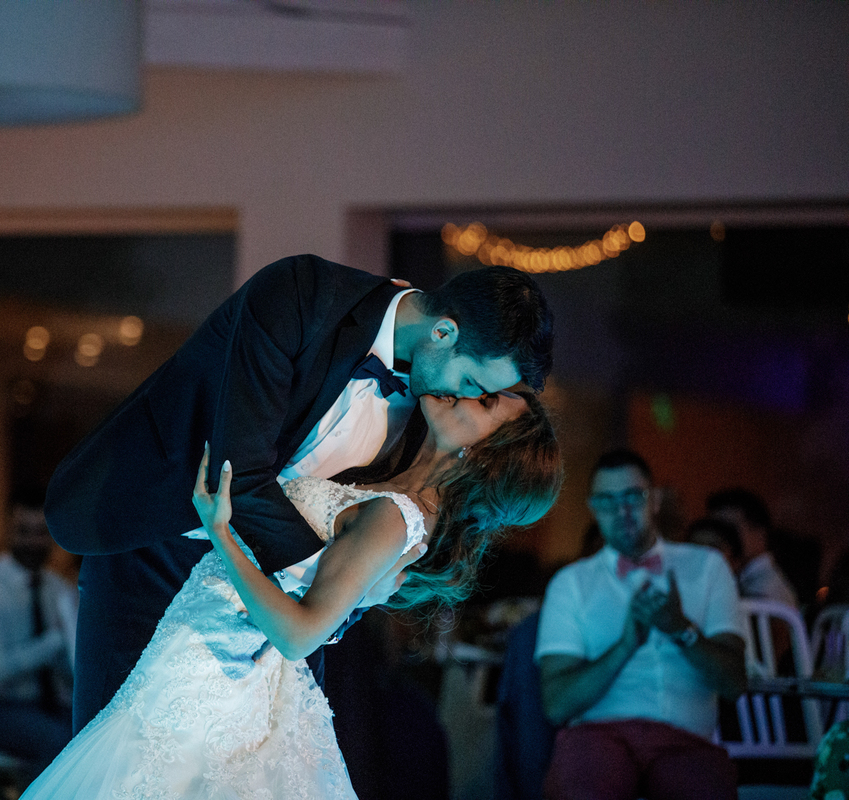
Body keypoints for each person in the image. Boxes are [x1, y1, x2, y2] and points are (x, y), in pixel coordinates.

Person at [44, 253, 555, 732]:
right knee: (118, 763)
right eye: (471, 380)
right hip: (159, 545)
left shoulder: (431, 414)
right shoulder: (304, 296)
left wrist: (331, 605)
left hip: (263, 619)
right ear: (443, 331)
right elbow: (238, 474)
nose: (465, 396)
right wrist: (332, 596)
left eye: (481, 395)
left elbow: (360, 554)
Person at [20, 388, 562, 798]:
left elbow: (299, 634)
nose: (467, 391)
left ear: (486, 454)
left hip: (210, 665)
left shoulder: (396, 517)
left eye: (486, 402)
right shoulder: (402, 507)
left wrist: (222, 532)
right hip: (212, 659)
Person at [535, 449, 747, 800]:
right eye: (607, 500)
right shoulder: (570, 583)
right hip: (599, 736)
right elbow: (557, 705)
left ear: (655, 501)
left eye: (633, 496)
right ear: (593, 508)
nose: (622, 511)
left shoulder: (707, 567)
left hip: (685, 741)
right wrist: (625, 647)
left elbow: (734, 683)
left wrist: (681, 628)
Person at [0, 504, 78, 774]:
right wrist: (52, 643)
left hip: (53, 704)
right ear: (7, 533)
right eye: (24, 531)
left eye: (42, 532)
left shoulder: (60, 588)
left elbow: (73, 666)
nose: (34, 542)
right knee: (60, 739)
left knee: (100, 733)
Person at [706, 487, 800, 608]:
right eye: (714, 530)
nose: (719, 538)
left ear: (760, 532)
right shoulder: (738, 580)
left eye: (730, 530)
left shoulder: (766, 590)